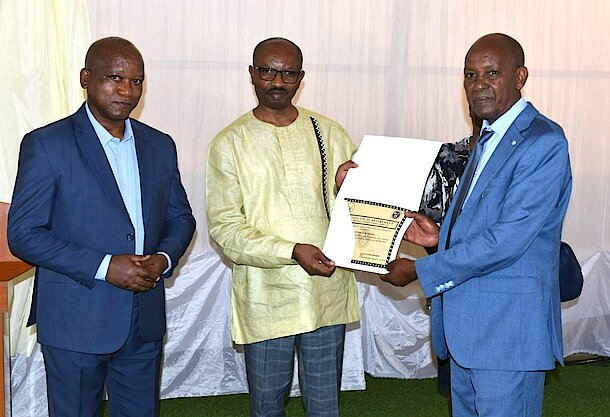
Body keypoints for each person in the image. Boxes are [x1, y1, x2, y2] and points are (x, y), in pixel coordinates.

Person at [382, 33, 572, 416]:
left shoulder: (543, 141)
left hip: (507, 334)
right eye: (470, 74)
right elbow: (483, 223)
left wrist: (421, 270)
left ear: (520, 77)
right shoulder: (488, 136)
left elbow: (508, 239)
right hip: (466, 331)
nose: (478, 83)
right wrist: (438, 239)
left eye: (492, 73)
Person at [8, 37, 196, 417]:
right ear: (86, 78)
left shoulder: (160, 145)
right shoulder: (47, 144)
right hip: (75, 320)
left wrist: (162, 258)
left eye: (136, 81)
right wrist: (105, 266)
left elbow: (181, 218)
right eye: (115, 78)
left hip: (143, 320)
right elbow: (24, 234)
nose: (127, 91)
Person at [206, 37, 360, 417]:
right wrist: (291, 251)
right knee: (267, 407)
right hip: (266, 298)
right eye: (268, 71)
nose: (277, 81)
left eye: (288, 73)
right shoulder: (230, 143)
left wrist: (350, 188)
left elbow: (360, 211)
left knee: (325, 406)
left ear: (301, 78)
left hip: (326, 293)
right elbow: (225, 229)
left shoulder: (330, 133)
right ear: (252, 74)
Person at [418, 109, 482, 409]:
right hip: (451, 290)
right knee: (459, 392)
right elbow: (428, 222)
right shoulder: (448, 157)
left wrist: (418, 271)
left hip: (502, 296)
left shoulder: (525, 152)